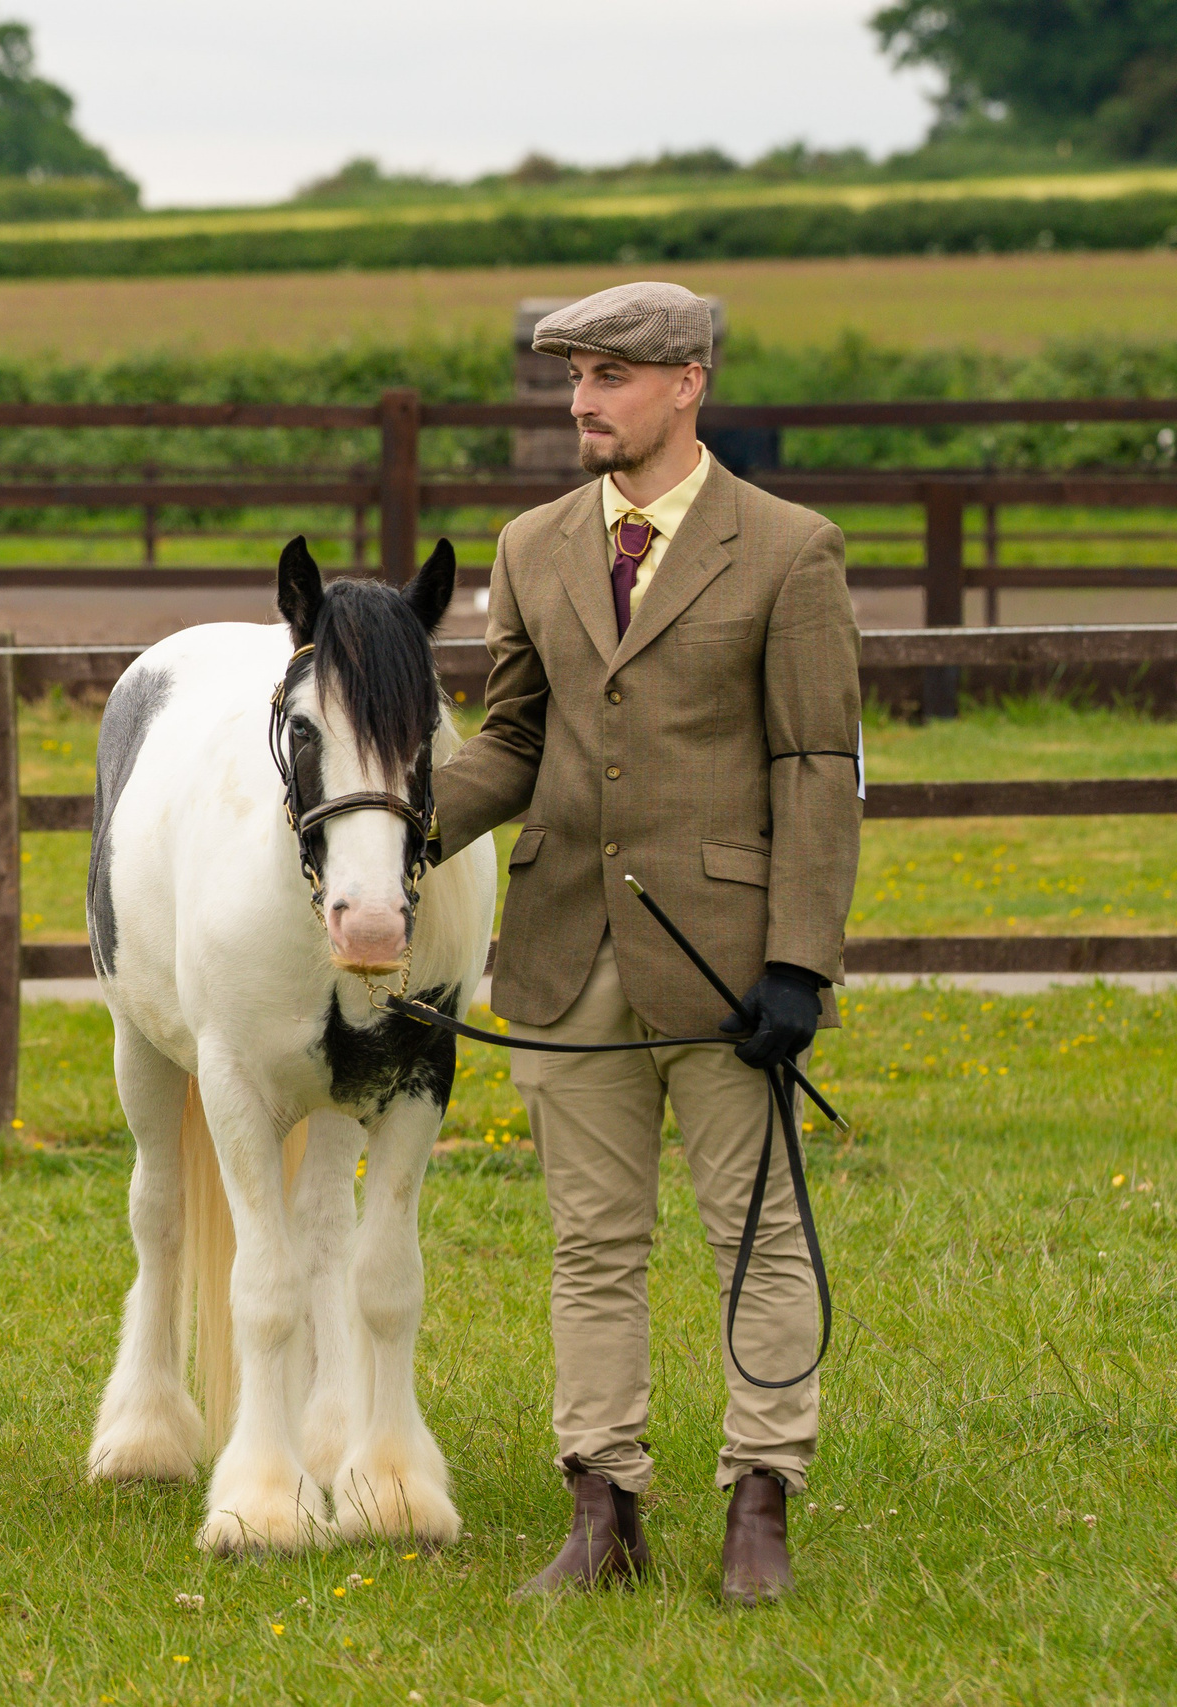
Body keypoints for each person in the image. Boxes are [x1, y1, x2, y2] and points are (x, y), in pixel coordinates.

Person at [430, 283, 861, 1606]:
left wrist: (800, 958)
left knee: (757, 1233)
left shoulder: (790, 548)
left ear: (689, 385)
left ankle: (760, 1502)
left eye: (611, 374)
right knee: (592, 1242)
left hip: (732, 959)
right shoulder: (532, 543)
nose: (582, 401)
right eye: (572, 376)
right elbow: (512, 741)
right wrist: (390, 831)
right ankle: (601, 1507)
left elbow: (813, 757)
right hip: (566, 948)